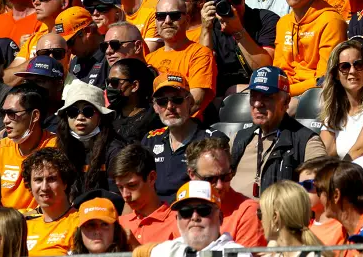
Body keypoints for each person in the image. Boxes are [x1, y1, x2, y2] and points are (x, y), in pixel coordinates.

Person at [230, 66, 327, 198]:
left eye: (266, 97)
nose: (257, 104)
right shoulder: (238, 139)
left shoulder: (306, 142)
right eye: (253, 96)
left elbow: (320, 191)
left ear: (286, 101)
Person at [142, 73, 224, 201]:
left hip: (192, 211)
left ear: (190, 101)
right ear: (155, 107)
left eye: (177, 100)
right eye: (162, 102)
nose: (170, 107)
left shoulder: (213, 140)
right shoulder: (150, 140)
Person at [274, 0, 347, 96]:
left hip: (316, 95)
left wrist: (284, 92)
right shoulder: (282, 23)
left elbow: (324, 78)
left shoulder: (331, 21)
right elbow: (280, 70)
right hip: (285, 92)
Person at [0, 83, 60, 211]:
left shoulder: (56, 147)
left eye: (12, 113)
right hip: (3, 223)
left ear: (35, 116)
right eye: (3, 113)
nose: (5, 120)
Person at [320, 38, 363, 159]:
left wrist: (337, 174)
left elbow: (360, 150)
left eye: (358, 65)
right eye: (345, 67)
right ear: (336, 74)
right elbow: (324, 152)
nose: (352, 71)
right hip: (345, 174)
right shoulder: (334, 113)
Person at [187, 138, 264, 247]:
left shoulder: (247, 212)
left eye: (225, 177)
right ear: (192, 175)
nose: (219, 185)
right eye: (211, 179)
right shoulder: (182, 211)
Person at [148, 181, 242, 257]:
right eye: (186, 212)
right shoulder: (164, 251)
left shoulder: (236, 254)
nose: (195, 217)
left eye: (203, 210)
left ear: (220, 218)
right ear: (177, 219)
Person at [113, 144, 179, 244]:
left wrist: (135, 249)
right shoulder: (117, 224)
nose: (125, 195)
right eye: (120, 187)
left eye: (132, 185)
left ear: (151, 178)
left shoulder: (178, 221)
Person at [22, 147, 80, 256]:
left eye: (52, 179)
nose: (44, 187)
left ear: (65, 183)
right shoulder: (25, 227)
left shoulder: (80, 223)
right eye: (38, 180)